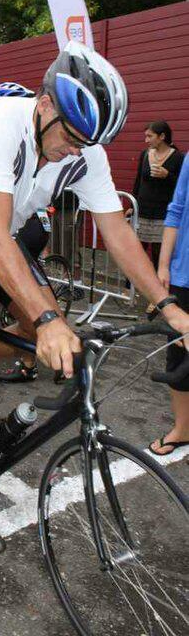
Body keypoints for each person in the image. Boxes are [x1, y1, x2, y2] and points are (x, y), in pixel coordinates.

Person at [0, 40, 189, 557]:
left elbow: (117, 232)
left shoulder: (85, 150)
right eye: (72, 137)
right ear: (44, 106)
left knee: (46, 337)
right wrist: (47, 318)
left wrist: (167, 307)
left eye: (88, 142)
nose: (77, 150)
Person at [150, 153, 189, 456]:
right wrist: (163, 266)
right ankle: (183, 430)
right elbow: (176, 209)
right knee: (178, 358)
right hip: (184, 275)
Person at [128, 121, 184, 270]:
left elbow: (182, 186)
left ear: (162, 136)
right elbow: (138, 181)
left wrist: (168, 176)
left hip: (163, 214)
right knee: (136, 253)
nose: (146, 140)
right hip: (143, 211)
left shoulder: (178, 157)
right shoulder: (145, 154)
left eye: (149, 136)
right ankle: (132, 283)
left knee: (159, 254)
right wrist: (132, 205)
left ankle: (159, 282)